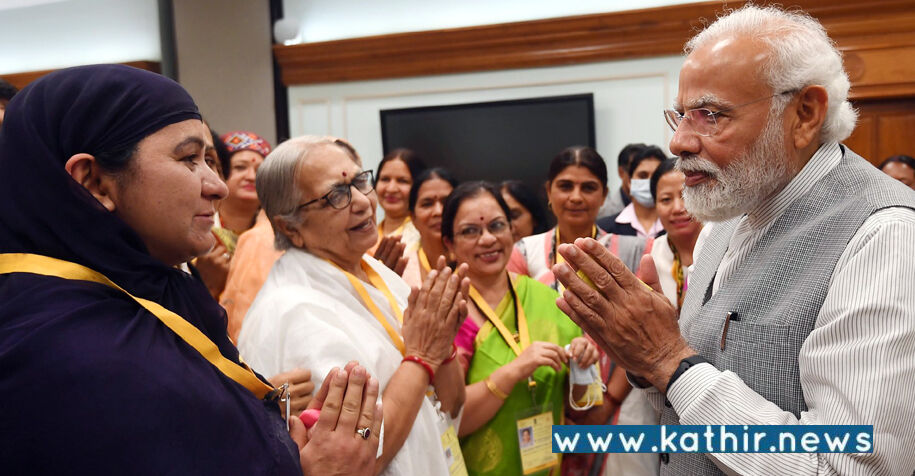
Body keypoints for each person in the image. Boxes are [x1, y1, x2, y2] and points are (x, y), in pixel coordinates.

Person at [553, 6, 915, 475]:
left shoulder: (884, 239)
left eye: (710, 115)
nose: (679, 142)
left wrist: (668, 359)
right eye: (681, 115)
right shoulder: (728, 213)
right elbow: (699, 378)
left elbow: (847, 466)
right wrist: (641, 357)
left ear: (805, 114)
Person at [0, 64, 380, 475]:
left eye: (210, 160)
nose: (219, 186)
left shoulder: (148, 295)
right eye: (188, 159)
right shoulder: (71, 356)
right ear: (93, 182)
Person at [238, 135, 470, 476]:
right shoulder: (293, 311)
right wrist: (421, 358)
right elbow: (361, 458)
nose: (362, 201)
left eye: (360, 181)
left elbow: (449, 402)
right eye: (336, 195)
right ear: (291, 227)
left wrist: (440, 338)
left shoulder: (374, 269)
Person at [441, 181, 598, 476]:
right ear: (449, 243)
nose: (487, 239)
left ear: (513, 232)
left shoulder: (549, 300)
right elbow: (449, 420)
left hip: (548, 467)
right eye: (470, 231)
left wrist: (582, 365)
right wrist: (515, 370)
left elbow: (580, 407)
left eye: (497, 226)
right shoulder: (447, 313)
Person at [509, 146, 648, 291]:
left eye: (588, 188)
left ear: (604, 195)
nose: (576, 197)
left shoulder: (634, 252)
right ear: (549, 191)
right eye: (565, 186)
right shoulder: (524, 252)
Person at [649, 158, 703, 311]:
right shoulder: (651, 254)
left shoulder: (720, 246)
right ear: (655, 206)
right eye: (666, 200)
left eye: (685, 196)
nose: (678, 208)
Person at [402, 167, 459, 288]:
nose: (438, 211)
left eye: (447, 201)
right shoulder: (401, 269)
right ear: (412, 217)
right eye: (427, 204)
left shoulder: (479, 260)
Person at [597, 146, 665, 238]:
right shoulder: (604, 228)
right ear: (629, 181)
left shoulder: (680, 225)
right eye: (643, 176)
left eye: (656, 176)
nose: (649, 182)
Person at [374, 148, 427, 248]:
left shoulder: (424, 236)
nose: (391, 189)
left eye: (402, 181)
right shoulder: (366, 236)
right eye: (385, 179)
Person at [597, 143, 645, 218]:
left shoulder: (660, 209)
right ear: (621, 172)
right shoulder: (603, 214)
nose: (646, 180)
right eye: (642, 175)